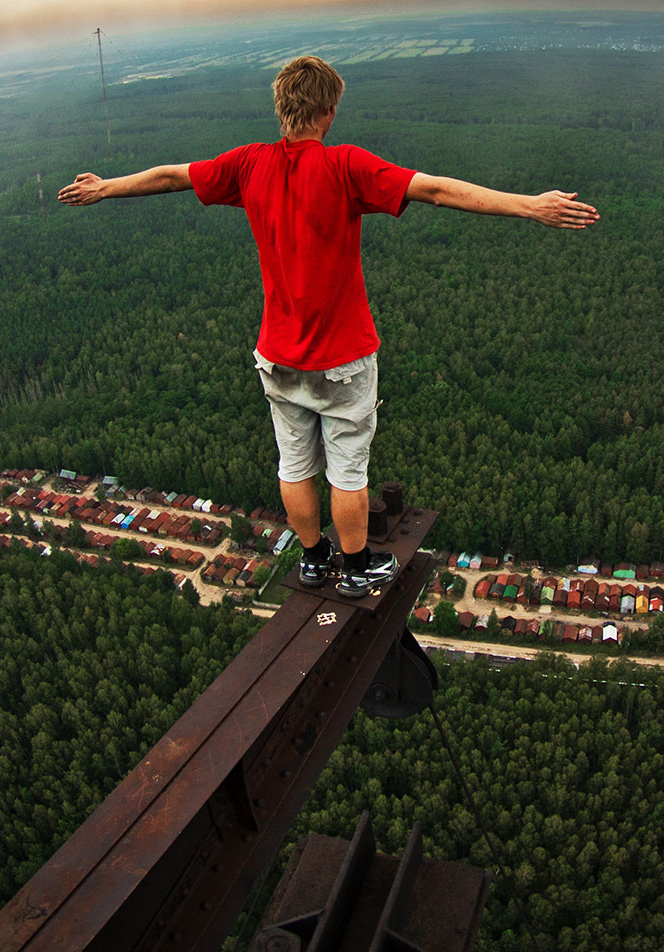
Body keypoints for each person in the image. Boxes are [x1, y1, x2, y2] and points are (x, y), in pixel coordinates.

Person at [59, 55, 598, 596]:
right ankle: (358, 569)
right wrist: (530, 206)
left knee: (294, 465)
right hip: (342, 358)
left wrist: (106, 187)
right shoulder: (345, 165)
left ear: (282, 107)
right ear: (329, 112)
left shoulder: (248, 164)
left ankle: (315, 560)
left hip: (277, 355)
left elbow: (172, 176)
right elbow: (435, 189)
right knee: (347, 470)